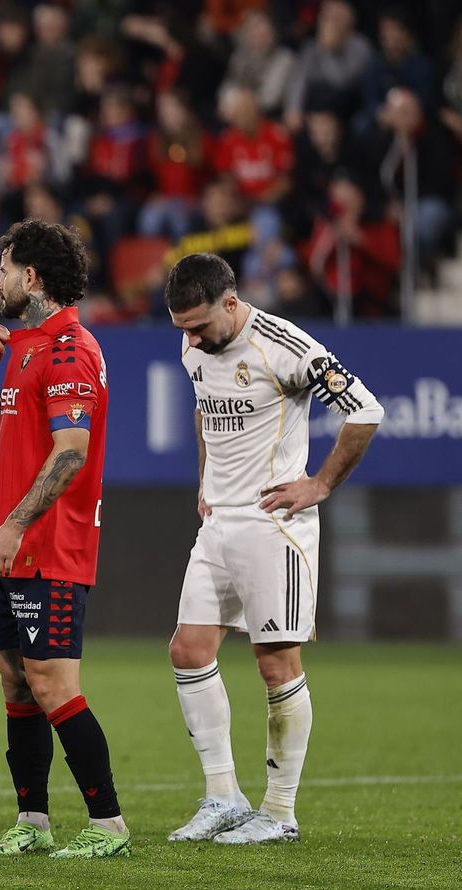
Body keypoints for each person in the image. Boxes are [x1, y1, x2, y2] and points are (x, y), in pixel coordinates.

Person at [162, 253, 383, 845]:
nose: (191, 338)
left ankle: (279, 813)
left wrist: (320, 484)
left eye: (200, 325)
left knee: (275, 663)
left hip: (273, 525)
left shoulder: (283, 345)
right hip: (218, 524)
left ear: (231, 304)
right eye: (181, 327)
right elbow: (204, 411)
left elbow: (365, 410)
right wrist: (204, 481)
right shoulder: (194, 349)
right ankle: (222, 797)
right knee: (188, 650)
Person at [0, 218, 130, 860]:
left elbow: (70, 455)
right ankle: (32, 822)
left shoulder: (70, 347)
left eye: (4, 268)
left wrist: (14, 524)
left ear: (30, 276)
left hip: (50, 544)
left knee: (53, 681)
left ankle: (107, 825)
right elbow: (4, 446)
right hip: (9, 544)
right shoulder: (27, 347)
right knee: (15, 678)